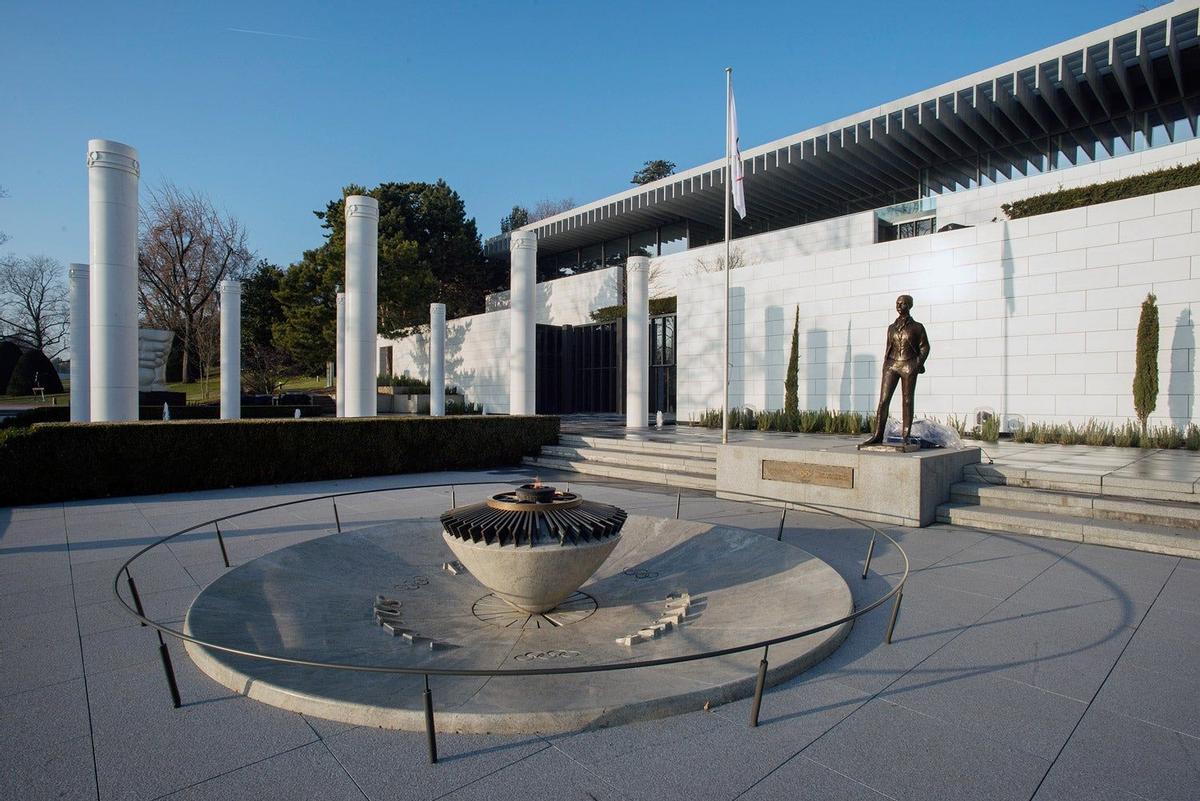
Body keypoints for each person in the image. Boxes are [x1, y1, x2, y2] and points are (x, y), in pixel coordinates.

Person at [859, 294, 930, 447]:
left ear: (909, 306)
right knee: (883, 401)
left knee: (907, 400)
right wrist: (886, 365)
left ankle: (906, 436)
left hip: (908, 364)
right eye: (898, 303)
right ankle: (877, 435)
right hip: (891, 365)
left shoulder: (917, 327)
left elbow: (925, 347)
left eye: (903, 303)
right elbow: (888, 347)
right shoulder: (891, 327)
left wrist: (917, 364)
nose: (899, 306)